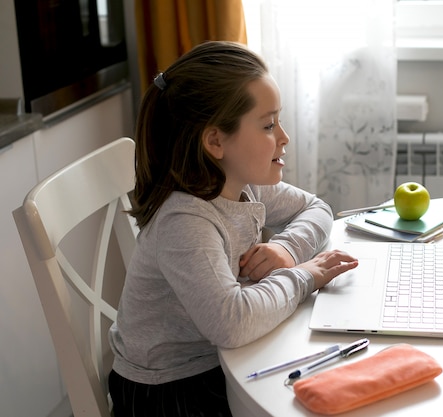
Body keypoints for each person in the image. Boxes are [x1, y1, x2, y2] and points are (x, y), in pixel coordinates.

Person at [108, 41, 359, 417]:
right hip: (169, 390)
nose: (284, 137)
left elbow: (317, 207)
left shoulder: (243, 184)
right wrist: (304, 275)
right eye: (269, 125)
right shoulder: (186, 220)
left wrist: (287, 250)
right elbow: (231, 322)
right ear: (215, 141)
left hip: (218, 359)